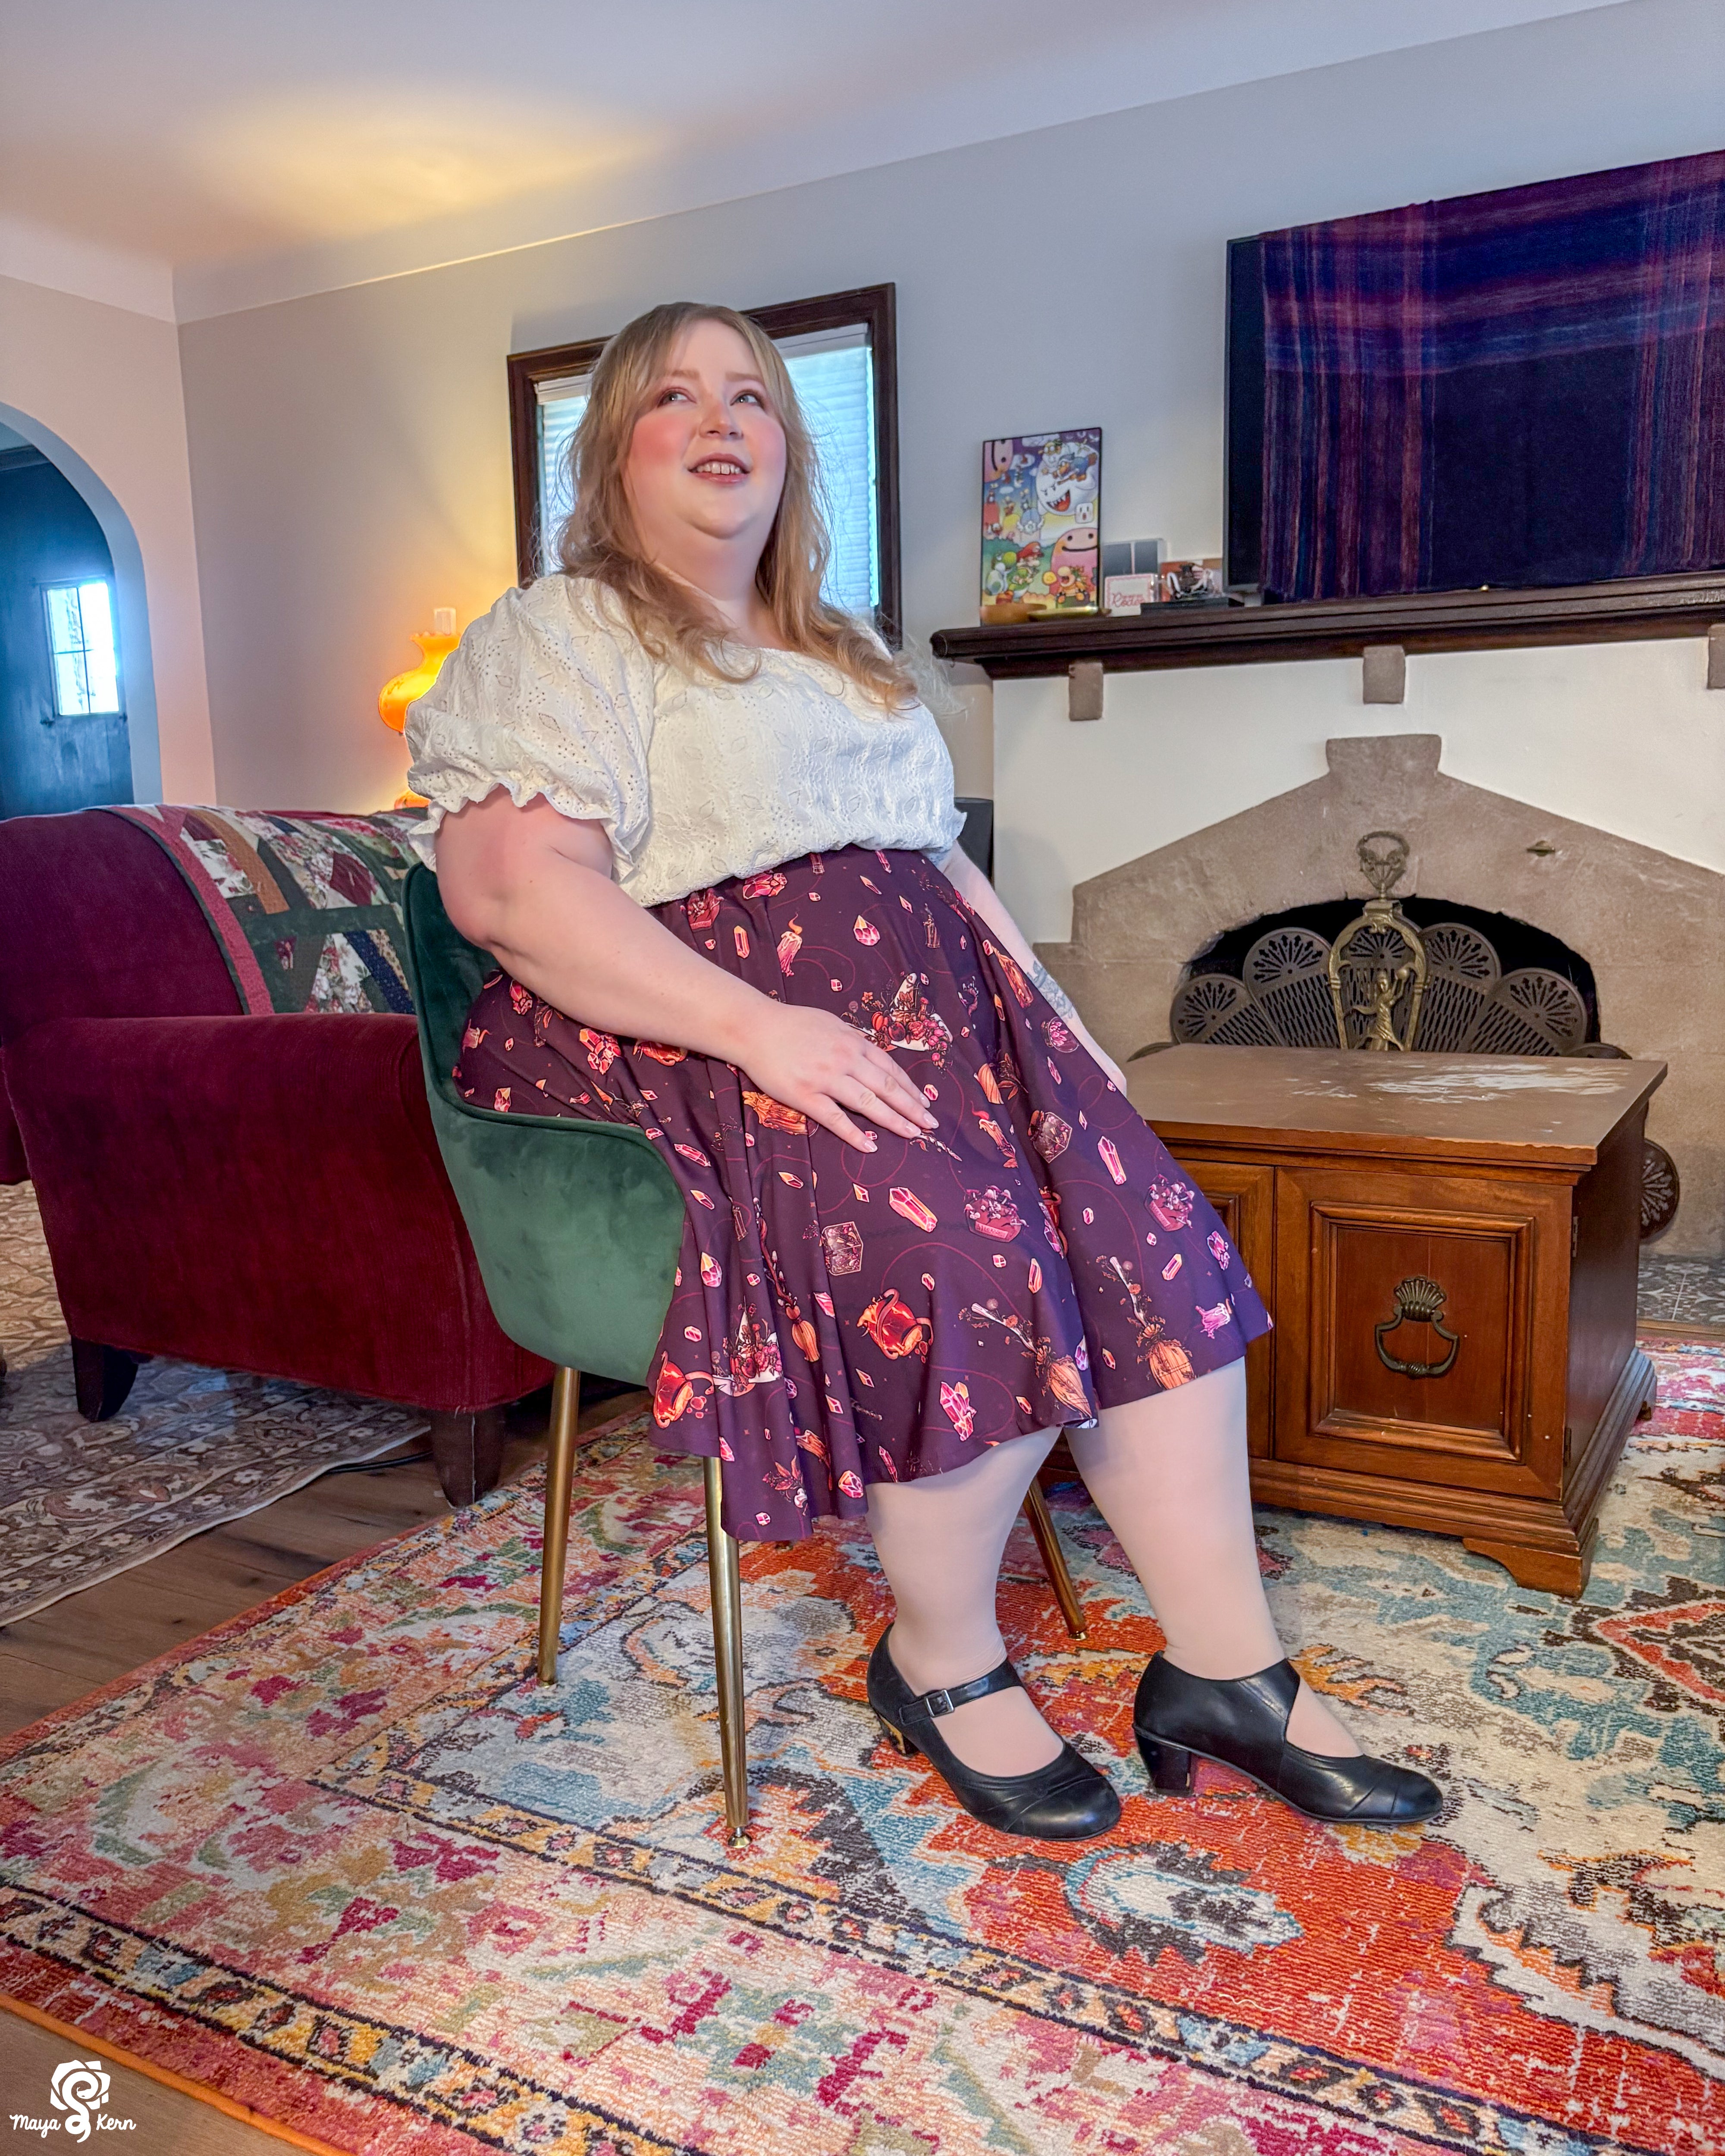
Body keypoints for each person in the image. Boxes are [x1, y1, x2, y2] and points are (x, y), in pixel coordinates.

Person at [408, 301, 1441, 1840]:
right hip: (710, 1029)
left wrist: (1062, 1036)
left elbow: (935, 867)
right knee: (972, 1254)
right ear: (613, 446)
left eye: (752, 396)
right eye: (677, 396)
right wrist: (763, 1027)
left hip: (936, 1018)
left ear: (789, 447)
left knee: (1156, 1238)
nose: (722, 420)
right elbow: (510, 893)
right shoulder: (561, 635)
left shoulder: (847, 650)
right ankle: (939, 1661)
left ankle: (1228, 1672)